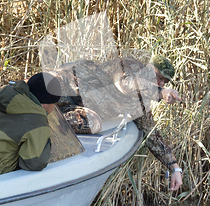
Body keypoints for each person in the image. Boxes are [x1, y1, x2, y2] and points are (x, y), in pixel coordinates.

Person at [51, 55, 183, 191]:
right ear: (149, 68)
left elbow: (152, 135)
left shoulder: (140, 103)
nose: (161, 83)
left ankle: (47, 119)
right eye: (160, 77)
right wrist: (160, 93)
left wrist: (175, 168)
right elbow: (125, 83)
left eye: (165, 82)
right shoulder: (130, 65)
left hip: (70, 107)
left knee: (92, 122)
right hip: (65, 82)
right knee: (38, 87)